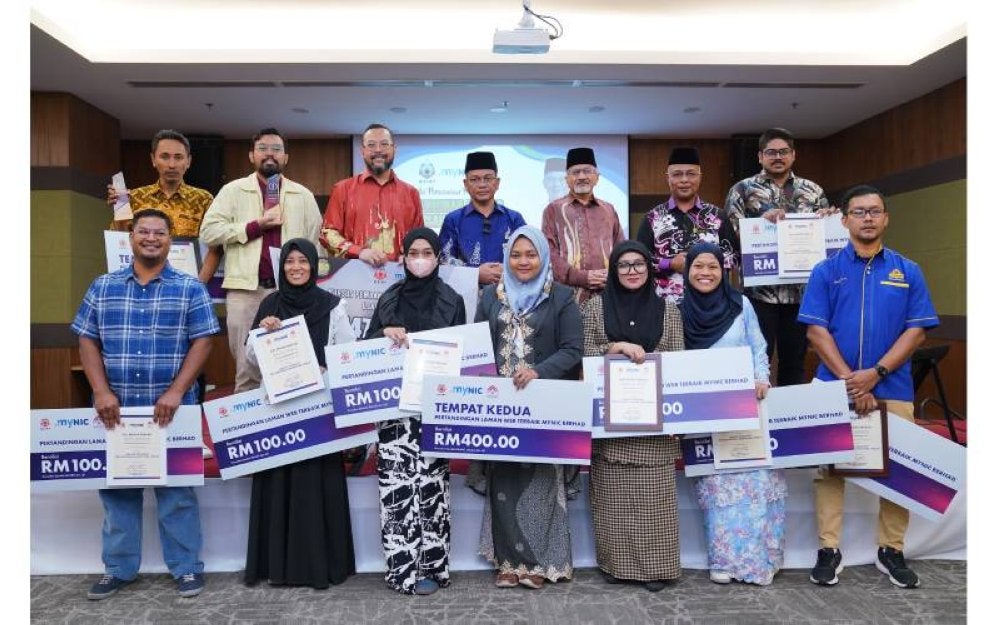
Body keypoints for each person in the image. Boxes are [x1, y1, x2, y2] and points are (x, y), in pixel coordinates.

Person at [72, 208, 219, 600]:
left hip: (173, 410)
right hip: (115, 411)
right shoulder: (102, 286)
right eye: (144, 231)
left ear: (171, 240)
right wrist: (101, 391)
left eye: (159, 233)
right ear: (130, 238)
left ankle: (186, 568)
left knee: (177, 492)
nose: (151, 238)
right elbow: (87, 338)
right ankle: (118, 569)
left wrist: (176, 391)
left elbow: (204, 341)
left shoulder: (190, 288)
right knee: (118, 491)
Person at [798, 185, 939, 589]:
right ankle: (829, 548)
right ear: (844, 220)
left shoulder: (908, 271)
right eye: (859, 212)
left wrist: (875, 374)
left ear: (886, 218)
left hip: (893, 385)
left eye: (875, 211)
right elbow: (816, 331)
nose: (868, 218)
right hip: (834, 385)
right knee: (829, 470)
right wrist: (851, 382)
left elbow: (916, 332)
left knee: (900, 469)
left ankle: (891, 549)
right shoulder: (825, 271)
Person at [243, 238, 357, 589]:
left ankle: (320, 564)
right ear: (282, 267)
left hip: (317, 410)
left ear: (313, 265)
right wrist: (262, 336)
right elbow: (250, 360)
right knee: (278, 483)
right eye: (289, 262)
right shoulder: (270, 304)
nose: (296, 267)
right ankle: (276, 566)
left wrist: (326, 369)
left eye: (302, 261)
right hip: (279, 411)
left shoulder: (332, 305)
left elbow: (348, 354)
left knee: (315, 483)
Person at [476, 225, 584, 590]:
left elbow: (573, 349)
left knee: (540, 482)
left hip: (544, 405)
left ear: (544, 257)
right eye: (516, 255)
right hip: (501, 406)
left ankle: (539, 562)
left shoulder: (561, 296)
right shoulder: (490, 296)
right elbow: (477, 346)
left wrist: (539, 372)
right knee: (504, 481)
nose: (523, 261)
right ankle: (508, 561)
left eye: (531, 254)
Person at [365, 227, 466, 595]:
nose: (420, 259)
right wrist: (384, 334)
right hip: (395, 413)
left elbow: (463, 354)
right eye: (413, 253)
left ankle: (435, 569)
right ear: (403, 258)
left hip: (434, 410)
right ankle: (401, 570)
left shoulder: (453, 299)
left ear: (438, 257)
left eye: (427, 252)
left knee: (433, 490)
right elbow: (366, 349)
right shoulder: (389, 297)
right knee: (397, 491)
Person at [677, 241, 785, 586]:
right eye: (698, 266)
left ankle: (760, 561)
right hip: (704, 415)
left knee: (755, 486)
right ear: (687, 271)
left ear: (723, 270)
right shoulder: (676, 311)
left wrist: (762, 379)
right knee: (718, 491)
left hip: (745, 410)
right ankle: (723, 561)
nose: (705, 273)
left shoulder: (742, 304)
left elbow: (758, 346)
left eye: (712, 266)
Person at [581, 240, 684, 592]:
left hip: (655, 424)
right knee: (613, 502)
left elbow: (677, 361)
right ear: (613, 270)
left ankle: (657, 568)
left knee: (654, 504)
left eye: (638, 263)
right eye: (623, 265)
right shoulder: (595, 307)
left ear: (649, 268)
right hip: (612, 425)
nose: (632, 271)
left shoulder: (668, 310)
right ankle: (616, 566)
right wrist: (616, 347)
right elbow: (584, 354)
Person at [199, 128, 322, 393]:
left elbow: (315, 245)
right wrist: (255, 226)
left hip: (290, 293)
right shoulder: (233, 191)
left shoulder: (303, 195)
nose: (269, 154)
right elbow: (208, 232)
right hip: (245, 292)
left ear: (286, 157)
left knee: (294, 367)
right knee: (247, 371)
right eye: (263, 148)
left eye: (276, 149)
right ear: (251, 155)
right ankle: (248, 419)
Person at [725, 127, 834, 386]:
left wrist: (829, 220)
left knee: (794, 363)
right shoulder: (742, 189)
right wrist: (760, 224)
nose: (778, 157)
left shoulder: (813, 190)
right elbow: (729, 235)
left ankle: (790, 411)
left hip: (802, 294)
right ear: (760, 156)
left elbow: (826, 237)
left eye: (783, 152)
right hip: (759, 293)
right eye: (771, 152)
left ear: (793, 155)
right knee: (756, 360)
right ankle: (755, 413)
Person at [107, 129, 222, 285]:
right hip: (142, 282)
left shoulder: (204, 200)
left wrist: (198, 286)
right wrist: (119, 208)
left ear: (188, 161)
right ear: (153, 160)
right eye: (165, 157)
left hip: (187, 282)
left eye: (178, 157)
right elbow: (119, 241)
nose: (171, 164)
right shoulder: (134, 198)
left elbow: (215, 247)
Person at [637, 146, 739, 304]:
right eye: (677, 174)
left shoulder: (717, 216)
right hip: (665, 305)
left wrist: (702, 264)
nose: (684, 180)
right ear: (668, 178)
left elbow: (734, 257)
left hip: (710, 303)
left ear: (700, 177)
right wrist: (670, 264)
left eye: (691, 174)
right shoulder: (653, 217)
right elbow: (639, 261)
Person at [321, 123, 424, 266]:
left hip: (400, 274)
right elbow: (327, 233)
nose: (378, 150)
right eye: (371, 145)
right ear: (362, 151)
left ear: (394, 149)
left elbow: (419, 238)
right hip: (353, 274)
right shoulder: (342, 189)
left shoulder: (411, 193)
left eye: (384, 144)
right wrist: (359, 252)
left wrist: (410, 255)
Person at [541, 147, 625, 306]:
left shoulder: (608, 210)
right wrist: (581, 277)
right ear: (567, 179)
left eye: (587, 171)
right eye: (575, 172)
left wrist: (613, 275)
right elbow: (548, 253)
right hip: (568, 297)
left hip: (608, 294)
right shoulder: (554, 210)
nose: (581, 177)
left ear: (597, 177)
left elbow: (621, 249)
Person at [439, 151, 527, 286]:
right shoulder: (453, 220)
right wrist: (475, 274)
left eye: (488, 178)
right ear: (465, 184)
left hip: (508, 291)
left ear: (497, 183)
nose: (482, 185)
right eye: (474, 179)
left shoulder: (514, 219)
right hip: (466, 292)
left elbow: (527, 257)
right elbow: (444, 261)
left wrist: (506, 271)